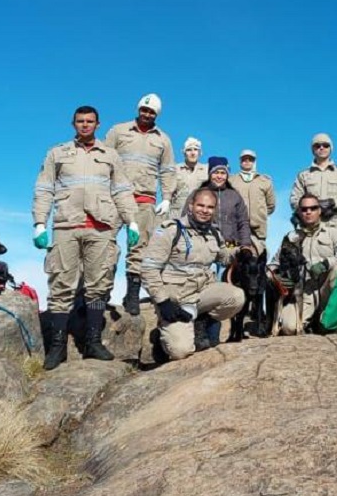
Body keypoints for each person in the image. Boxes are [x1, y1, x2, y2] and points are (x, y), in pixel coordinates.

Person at [33, 106, 139, 370]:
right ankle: (57, 347)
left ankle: (92, 342)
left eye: (89, 121)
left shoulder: (111, 155)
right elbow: (44, 188)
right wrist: (39, 223)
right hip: (66, 225)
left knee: (99, 283)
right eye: (80, 121)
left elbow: (123, 190)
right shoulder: (57, 153)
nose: (84, 125)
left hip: (101, 227)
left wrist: (132, 221)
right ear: (73, 124)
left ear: (98, 124)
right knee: (61, 283)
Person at [142, 187, 246, 361]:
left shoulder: (213, 232)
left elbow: (223, 257)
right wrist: (163, 301)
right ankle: (163, 336)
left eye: (210, 207)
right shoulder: (170, 230)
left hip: (202, 293)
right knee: (180, 351)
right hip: (176, 299)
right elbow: (148, 269)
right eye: (201, 205)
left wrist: (239, 252)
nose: (205, 211)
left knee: (236, 297)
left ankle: (199, 322)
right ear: (190, 206)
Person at [104, 93, 176, 316]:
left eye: (151, 111)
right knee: (105, 244)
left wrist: (166, 197)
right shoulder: (119, 130)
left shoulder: (163, 139)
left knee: (138, 248)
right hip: (115, 197)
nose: (147, 114)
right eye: (144, 110)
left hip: (144, 200)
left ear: (157, 114)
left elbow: (167, 170)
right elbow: (103, 159)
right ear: (138, 110)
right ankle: (100, 293)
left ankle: (132, 294)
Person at [269, 194, 337, 335]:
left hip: (327, 289)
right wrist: (277, 277)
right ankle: (310, 322)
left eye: (313, 208)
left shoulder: (333, 232)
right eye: (304, 209)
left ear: (320, 211)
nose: (308, 212)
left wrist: (325, 264)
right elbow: (273, 265)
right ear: (299, 212)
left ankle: (331, 318)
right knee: (289, 328)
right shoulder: (291, 238)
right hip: (304, 293)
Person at [289, 133, 337, 234]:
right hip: (310, 230)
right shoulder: (304, 175)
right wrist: (311, 208)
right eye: (317, 145)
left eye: (325, 145)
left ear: (331, 148)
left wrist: (333, 203)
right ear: (313, 149)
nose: (321, 148)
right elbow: (294, 200)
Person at [229, 149, 276, 255]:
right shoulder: (231, 180)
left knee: (258, 263)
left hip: (257, 231)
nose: (247, 161)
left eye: (250, 159)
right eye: (244, 159)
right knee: (228, 260)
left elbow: (271, 205)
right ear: (240, 162)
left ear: (254, 162)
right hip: (234, 230)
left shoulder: (265, 181)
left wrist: (259, 215)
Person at [204, 157, 251, 249]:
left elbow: (243, 222)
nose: (219, 176)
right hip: (206, 246)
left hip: (231, 245)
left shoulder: (234, 195)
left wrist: (245, 245)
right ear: (210, 174)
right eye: (216, 172)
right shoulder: (199, 194)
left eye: (223, 173)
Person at [168, 137, 208, 216]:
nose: (193, 153)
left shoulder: (207, 170)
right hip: (177, 214)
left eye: (196, 149)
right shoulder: (175, 169)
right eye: (189, 150)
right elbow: (168, 192)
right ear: (184, 152)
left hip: (199, 214)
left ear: (200, 153)